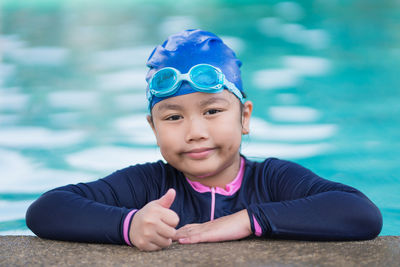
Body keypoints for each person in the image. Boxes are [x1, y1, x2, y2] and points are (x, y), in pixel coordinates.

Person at [26, 29, 382, 251]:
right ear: (153, 128)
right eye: (173, 117)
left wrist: (248, 220)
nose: (195, 131)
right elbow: (46, 210)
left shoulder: (273, 180)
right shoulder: (149, 184)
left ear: (244, 117)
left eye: (212, 111)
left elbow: (361, 214)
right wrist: (129, 226)